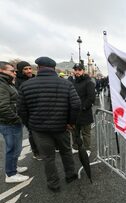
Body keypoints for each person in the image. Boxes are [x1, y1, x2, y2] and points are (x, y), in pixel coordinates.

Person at [18, 57, 81, 192]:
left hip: (39, 129)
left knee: (48, 157)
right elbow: (76, 104)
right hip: (61, 126)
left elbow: (21, 110)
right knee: (66, 152)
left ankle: (53, 184)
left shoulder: (26, 85)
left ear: (38, 68)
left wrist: (30, 124)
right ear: (53, 68)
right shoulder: (66, 84)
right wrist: (70, 122)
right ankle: (70, 175)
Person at [0, 61, 29, 183]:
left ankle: (13, 167)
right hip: (10, 123)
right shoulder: (2, 85)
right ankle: (11, 174)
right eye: (12, 71)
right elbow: (3, 107)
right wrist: (17, 119)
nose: (15, 73)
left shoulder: (6, 83)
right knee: (12, 148)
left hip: (12, 121)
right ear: (2, 71)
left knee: (16, 148)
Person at [15, 61, 42, 161]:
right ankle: (36, 152)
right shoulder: (18, 81)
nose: (29, 71)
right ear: (21, 71)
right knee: (32, 133)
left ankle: (40, 149)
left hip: (37, 109)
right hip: (28, 111)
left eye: (29, 68)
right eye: (25, 69)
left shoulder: (35, 78)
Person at [71, 63, 96, 156]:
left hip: (84, 112)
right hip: (74, 113)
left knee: (85, 133)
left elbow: (91, 98)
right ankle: (75, 146)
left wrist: (83, 107)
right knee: (74, 132)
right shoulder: (73, 82)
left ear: (83, 71)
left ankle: (87, 148)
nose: (77, 72)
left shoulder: (89, 82)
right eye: (76, 69)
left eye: (79, 70)